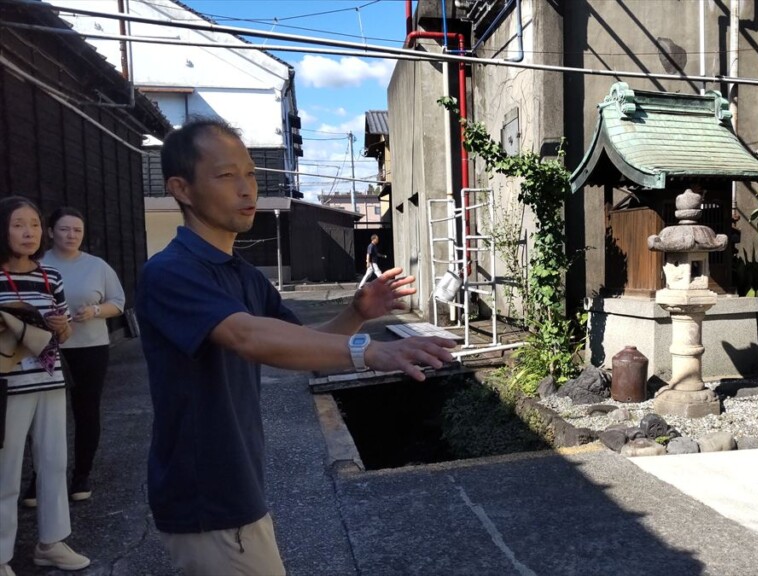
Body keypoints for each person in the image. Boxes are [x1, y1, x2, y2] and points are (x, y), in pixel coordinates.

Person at [138, 118, 455, 576]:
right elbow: (248, 336)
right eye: (226, 175)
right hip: (206, 497)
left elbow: (302, 345)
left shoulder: (243, 275)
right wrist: (369, 350)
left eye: (251, 174)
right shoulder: (170, 272)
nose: (247, 188)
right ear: (181, 189)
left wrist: (356, 314)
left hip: (237, 487)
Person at [0, 196, 90, 575]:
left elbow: (64, 334)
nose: (29, 232)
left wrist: (61, 326)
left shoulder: (49, 277)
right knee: (5, 471)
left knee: (53, 463)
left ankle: (51, 543)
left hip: (50, 380)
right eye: (19, 224)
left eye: (35, 224)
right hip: (7, 388)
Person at [41, 207, 126, 503]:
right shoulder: (37, 265)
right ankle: (40, 477)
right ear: (50, 232)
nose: (71, 235)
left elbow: (118, 302)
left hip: (90, 348)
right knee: (45, 415)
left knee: (86, 411)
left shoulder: (97, 266)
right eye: (64, 229)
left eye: (77, 230)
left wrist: (95, 310)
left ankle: (81, 474)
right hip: (45, 349)